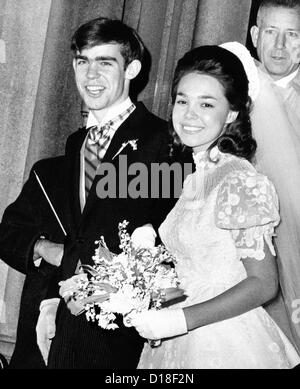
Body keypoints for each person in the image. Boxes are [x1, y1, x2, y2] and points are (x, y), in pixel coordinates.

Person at [0, 17, 183, 369]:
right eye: (83, 62)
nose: (91, 75)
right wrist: (44, 248)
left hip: (111, 340)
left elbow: (166, 243)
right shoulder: (67, 153)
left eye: (105, 62)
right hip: (42, 341)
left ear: (132, 69)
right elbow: (10, 231)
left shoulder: (162, 143)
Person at [128, 45, 300, 369]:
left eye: (207, 103)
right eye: (182, 100)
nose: (190, 115)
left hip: (224, 341)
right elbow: (199, 271)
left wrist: (181, 320)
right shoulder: (199, 177)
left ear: (232, 113)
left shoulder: (239, 180)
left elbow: (263, 283)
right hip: (179, 338)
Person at [249, 0, 300, 351]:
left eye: (293, 34)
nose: (280, 46)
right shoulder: (227, 91)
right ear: (255, 35)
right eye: (271, 32)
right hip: (235, 262)